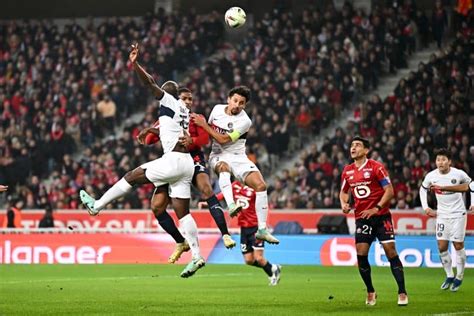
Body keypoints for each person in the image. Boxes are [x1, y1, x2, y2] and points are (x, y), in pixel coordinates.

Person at [80, 43, 203, 278]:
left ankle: (97, 206)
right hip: (186, 164)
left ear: (170, 93)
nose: (162, 90)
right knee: (183, 213)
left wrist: (135, 64)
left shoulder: (169, 100)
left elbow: (149, 83)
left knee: (131, 176)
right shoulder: (183, 111)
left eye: (165, 89)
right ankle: (197, 256)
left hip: (174, 160)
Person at [139, 87, 236, 264]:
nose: (189, 102)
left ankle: (226, 234)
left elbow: (204, 141)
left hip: (193, 158)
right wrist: (152, 130)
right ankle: (180, 242)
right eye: (185, 98)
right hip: (172, 162)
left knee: (206, 189)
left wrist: (191, 141)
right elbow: (149, 142)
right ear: (176, 100)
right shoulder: (167, 118)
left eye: (191, 99)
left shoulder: (196, 118)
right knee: (157, 207)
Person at [191, 86, 279, 244]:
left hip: (239, 158)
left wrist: (204, 125)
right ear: (228, 100)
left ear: (245, 105)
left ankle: (262, 230)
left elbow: (223, 139)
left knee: (261, 186)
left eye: (242, 103)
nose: (237, 105)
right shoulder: (217, 110)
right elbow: (208, 133)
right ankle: (231, 205)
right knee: (223, 167)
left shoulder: (245, 121)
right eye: (235, 100)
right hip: (218, 155)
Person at [339, 136, 407, 306]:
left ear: (366, 150)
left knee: (391, 252)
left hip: (381, 216)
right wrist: (344, 204)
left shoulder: (376, 167)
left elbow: (389, 191)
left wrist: (376, 208)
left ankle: (402, 291)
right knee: (361, 255)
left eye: (357, 145)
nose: (353, 148)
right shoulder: (347, 170)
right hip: (362, 219)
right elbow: (343, 192)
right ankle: (370, 291)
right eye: (352, 145)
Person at [419, 148, 472, 292]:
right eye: (438, 160)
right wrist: (426, 207)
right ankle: (449, 275)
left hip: (458, 214)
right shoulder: (431, 176)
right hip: (442, 215)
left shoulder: (459, 173)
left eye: (443, 160)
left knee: (458, 246)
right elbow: (422, 189)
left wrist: (472, 203)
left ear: (449, 161)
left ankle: (459, 277)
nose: (440, 162)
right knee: (442, 247)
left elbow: (471, 185)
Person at [216, 180, 281, 285]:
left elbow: (263, 205)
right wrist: (209, 202)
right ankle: (273, 267)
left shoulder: (254, 187)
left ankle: (272, 275)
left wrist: (263, 225)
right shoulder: (235, 185)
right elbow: (221, 195)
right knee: (249, 260)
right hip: (243, 228)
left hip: (256, 228)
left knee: (259, 258)